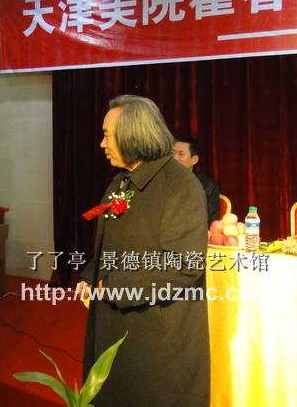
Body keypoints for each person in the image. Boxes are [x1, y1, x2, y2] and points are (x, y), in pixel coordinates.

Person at [77, 95, 209, 406]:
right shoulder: (121, 183)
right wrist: (90, 275)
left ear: (133, 135)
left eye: (107, 135)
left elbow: (183, 264)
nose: (102, 144)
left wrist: (113, 286)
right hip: (117, 320)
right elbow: (109, 244)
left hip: (157, 334)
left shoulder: (180, 186)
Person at [172, 136, 220, 224]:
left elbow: (210, 221)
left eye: (181, 154)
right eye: (172, 153)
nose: (174, 158)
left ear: (194, 160)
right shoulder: (160, 181)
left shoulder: (208, 186)